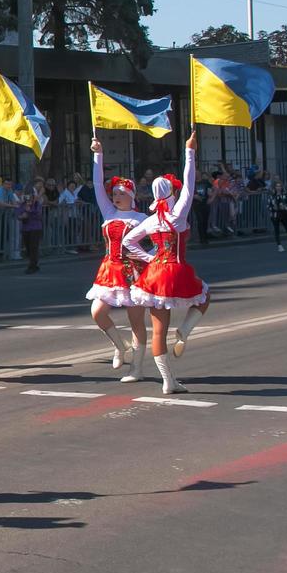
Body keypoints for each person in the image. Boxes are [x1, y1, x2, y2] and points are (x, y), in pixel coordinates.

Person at [123, 131, 208, 395]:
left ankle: (168, 381)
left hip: (155, 273)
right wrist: (190, 152)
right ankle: (184, 330)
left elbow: (128, 243)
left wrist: (150, 258)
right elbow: (191, 183)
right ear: (171, 191)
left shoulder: (151, 220)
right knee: (204, 297)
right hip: (176, 268)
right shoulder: (178, 213)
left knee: (158, 329)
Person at [86, 139, 152, 382]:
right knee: (98, 312)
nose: (115, 196)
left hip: (134, 272)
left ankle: (137, 368)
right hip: (109, 270)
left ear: (131, 195)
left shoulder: (141, 217)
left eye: (120, 193)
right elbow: (95, 184)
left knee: (136, 322)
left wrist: (153, 257)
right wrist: (99, 155)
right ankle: (120, 346)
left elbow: (155, 242)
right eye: (114, 193)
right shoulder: (109, 212)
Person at [16, 185, 45, 273]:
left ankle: (32, 266)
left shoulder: (37, 204)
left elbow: (39, 214)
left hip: (35, 228)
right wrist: (21, 216)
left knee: (33, 247)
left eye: (30, 195)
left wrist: (30, 211)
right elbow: (18, 214)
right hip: (26, 228)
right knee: (28, 248)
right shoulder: (23, 204)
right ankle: (34, 263)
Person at [268, 177, 287, 253]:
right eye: (277, 186)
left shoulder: (285, 195)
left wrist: (285, 207)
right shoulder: (272, 196)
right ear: (274, 187)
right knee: (277, 230)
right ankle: (279, 245)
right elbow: (268, 206)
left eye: (279, 186)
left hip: (284, 214)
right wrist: (272, 208)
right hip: (275, 214)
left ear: (282, 187)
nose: (278, 188)